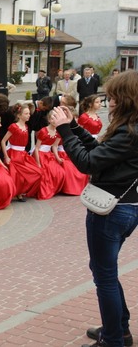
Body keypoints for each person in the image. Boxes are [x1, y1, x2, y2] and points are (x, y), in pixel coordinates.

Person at [51, 71, 138, 347]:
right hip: (126, 207)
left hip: (112, 211)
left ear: (125, 99)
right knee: (104, 270)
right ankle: (119, 329)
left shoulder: (129, 132)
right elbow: (99, 153)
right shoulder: (129, 128)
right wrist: (74, 126)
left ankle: (113, 338)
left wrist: (64, 130)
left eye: (113, 98)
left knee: (104, 277)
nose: (108, 102)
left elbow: (87, 162)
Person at [1, 103, 42, 201]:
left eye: (29, 113)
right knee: (18, 175)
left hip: (23, 154)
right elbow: (3, 141)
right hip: (14, 154)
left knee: (36, 172)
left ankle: (22, 191)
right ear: (19, 115)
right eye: (26, 113)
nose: (29, 115)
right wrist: (6, 156)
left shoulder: (26, 126)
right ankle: (18, 193)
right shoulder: (14, 126)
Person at [33, 122, 66, 200]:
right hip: (40, 155)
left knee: (60, 172)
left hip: (49, 154)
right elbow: (37, 148)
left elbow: (54, 146)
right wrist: (38, 162)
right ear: (50, 120)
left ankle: (53, 190)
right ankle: (45, 191)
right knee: (46, 173)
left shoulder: (57, 132)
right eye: (53, 119)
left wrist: (58, 158)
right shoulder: (43, 131)